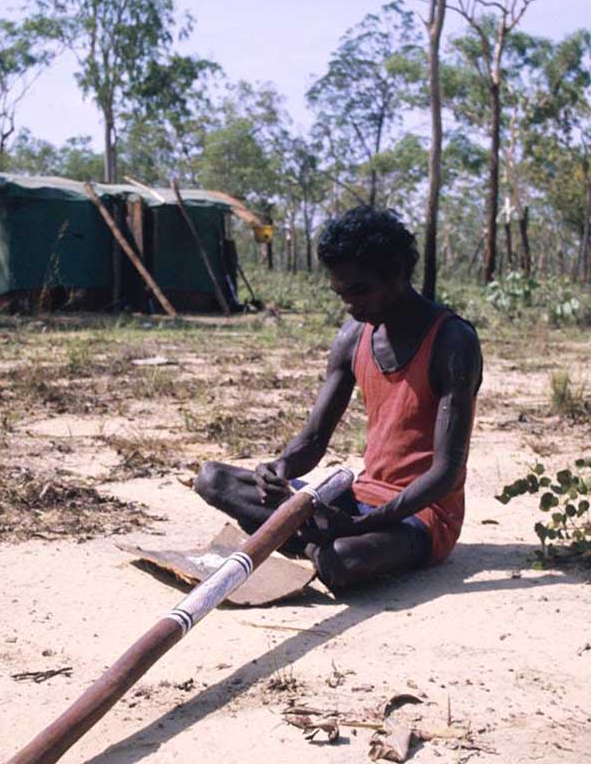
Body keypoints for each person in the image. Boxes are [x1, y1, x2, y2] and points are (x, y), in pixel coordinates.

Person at [195, 206, 482, 591]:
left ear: (397, 272)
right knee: (213, 479)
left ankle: (309, 540)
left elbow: (445, 473)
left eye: (360, 290)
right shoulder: (353, 337)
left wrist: (363, 524)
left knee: (340, 560)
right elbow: (313, 441)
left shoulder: (452, 341)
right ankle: (313, 537)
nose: (350, 304)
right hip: (358, 500)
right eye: (341, 293)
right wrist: (280, 468)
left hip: (423, 514)